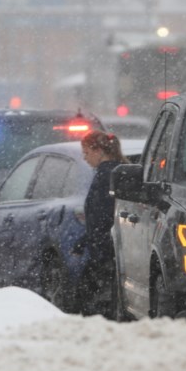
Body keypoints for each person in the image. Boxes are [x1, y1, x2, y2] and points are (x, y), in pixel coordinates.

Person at [78, 130, 129, 316]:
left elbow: (102, 215)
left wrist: (94, 243)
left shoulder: (104, 175)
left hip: (105, 250)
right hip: (113, 246)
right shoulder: (118, 170)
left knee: (98, 301)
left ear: (99, 151)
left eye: (86, 153)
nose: (85, 158)